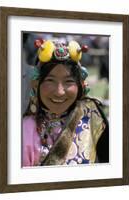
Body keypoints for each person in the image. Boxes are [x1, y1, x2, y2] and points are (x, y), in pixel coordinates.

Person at [22, 39, 109, 167]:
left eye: (69, 82)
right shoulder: (25, 130)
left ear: (80, 86)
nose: (59, 92)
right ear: (36, 84)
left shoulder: (92, 119)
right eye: (50, 80)